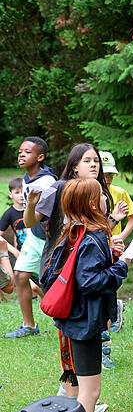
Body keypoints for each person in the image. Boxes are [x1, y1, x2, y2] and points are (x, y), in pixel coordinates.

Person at [26, 144, 129, 373]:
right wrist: (31, 205)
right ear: (74, 165)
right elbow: (30, 222)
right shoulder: (60, 188)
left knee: (91, 316)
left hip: (87, 266)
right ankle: (72, 381)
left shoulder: (97, 190)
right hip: (62, 270)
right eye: (87, 160)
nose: (94, 165)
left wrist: (112, 226)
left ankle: (90, 368)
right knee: (69, 325)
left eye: (96, 161)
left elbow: (94, 231)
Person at [40, 178, 129, 412]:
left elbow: (82, 271)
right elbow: (90, 282)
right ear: (92, 204)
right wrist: (121, 266)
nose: (105, 198)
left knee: (87, 390)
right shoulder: (93, 237)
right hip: (84, 323)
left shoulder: (76, 230)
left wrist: (111, 256)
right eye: (101, 194)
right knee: (90, 392)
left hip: (76, 319)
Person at [6, 136, 57, 338]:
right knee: (20, 275)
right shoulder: (27, 178)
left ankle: (68, 318)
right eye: (20, 152)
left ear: (40, 157)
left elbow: (40, 216)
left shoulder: (47, 181)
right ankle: (29, 325)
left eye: (27, 152)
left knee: (52, 283)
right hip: (34, 236)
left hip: (50, 240)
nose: (21, 155)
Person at [100, 151, 133, 334]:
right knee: (103, 283)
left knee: (113, 282)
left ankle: (113, 314)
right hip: (98, 245)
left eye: (111, 174)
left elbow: (132, 219)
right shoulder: (91, 193)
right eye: (104, 175)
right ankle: (110, 315)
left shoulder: (119, 192)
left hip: (116, 247)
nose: (108, 179)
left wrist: (121, 237)